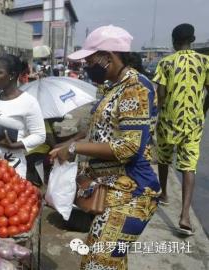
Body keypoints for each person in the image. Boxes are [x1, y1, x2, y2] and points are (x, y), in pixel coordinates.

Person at [50, 25, 160, 270]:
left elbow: (129, 147)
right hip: (110, 191)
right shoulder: (111, 87)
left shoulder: (135, 88)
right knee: (108, 262)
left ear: (108, 57)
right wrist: (68, 143)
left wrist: (76, 148)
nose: (87, 67)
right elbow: (98, 131)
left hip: (132, 194)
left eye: (90, 61)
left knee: (97, 264)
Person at [153, 23, 209, 235]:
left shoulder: (166, 63)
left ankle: (164, 194)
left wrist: (156, 113)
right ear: (193, 40)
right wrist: (202, 111)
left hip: (169, 119)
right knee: (189, 166)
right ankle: (185, 216)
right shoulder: (205, 61)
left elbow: (162, 93)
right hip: (193, 122)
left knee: (165, 159)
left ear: (174, 42)